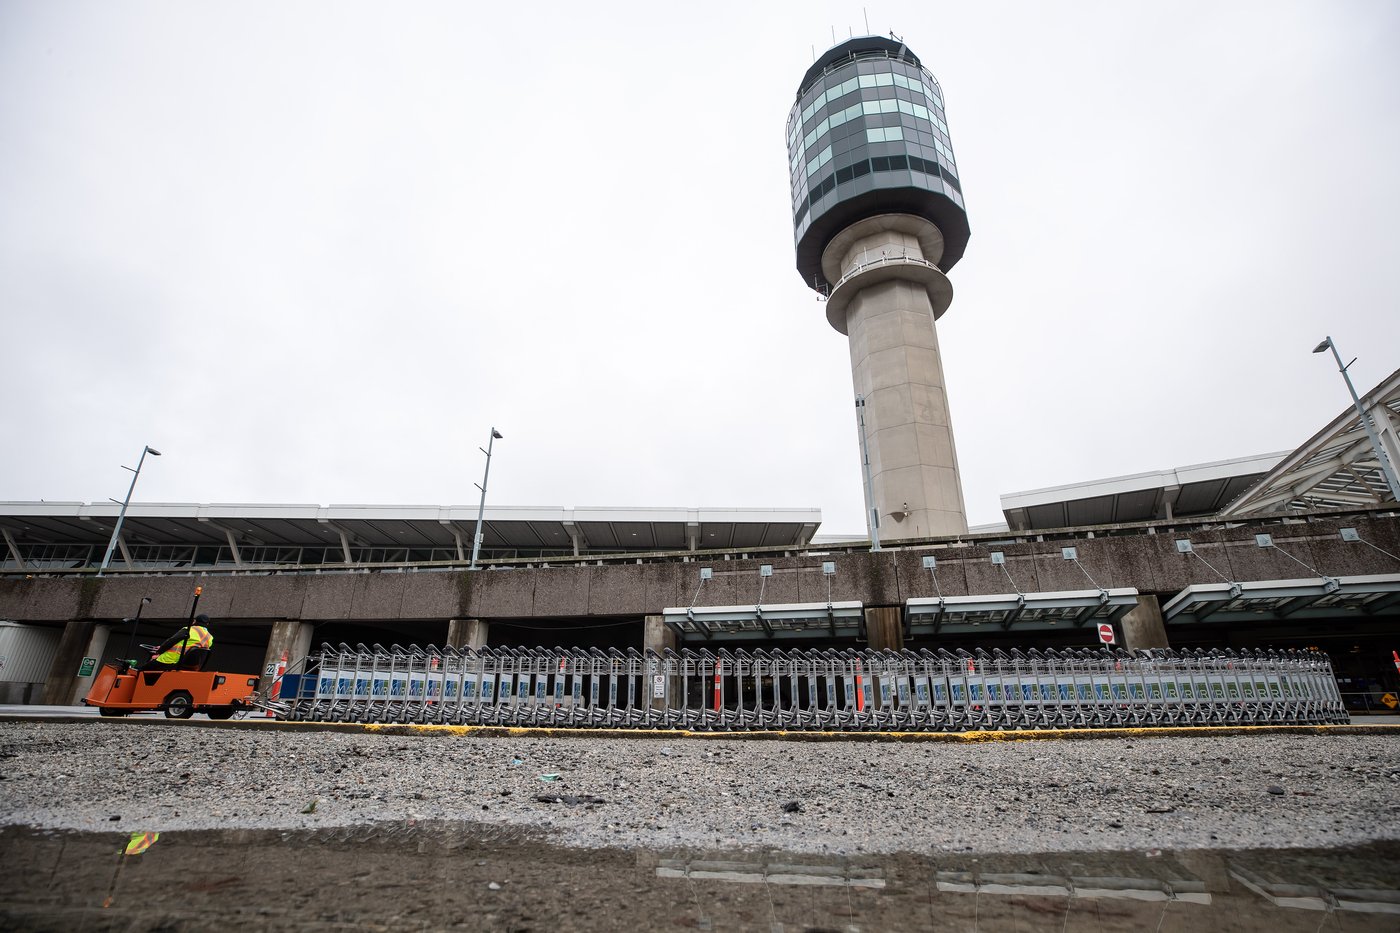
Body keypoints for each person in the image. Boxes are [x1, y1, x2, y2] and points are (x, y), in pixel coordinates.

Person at [139, 614, 214, 671]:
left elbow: (172, 641)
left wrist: (159, 651)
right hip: (192, 665)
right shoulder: (210, 637)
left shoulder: (189, 630)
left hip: (171, 660)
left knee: (143, 669)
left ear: (194, 621)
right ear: (207, 624)